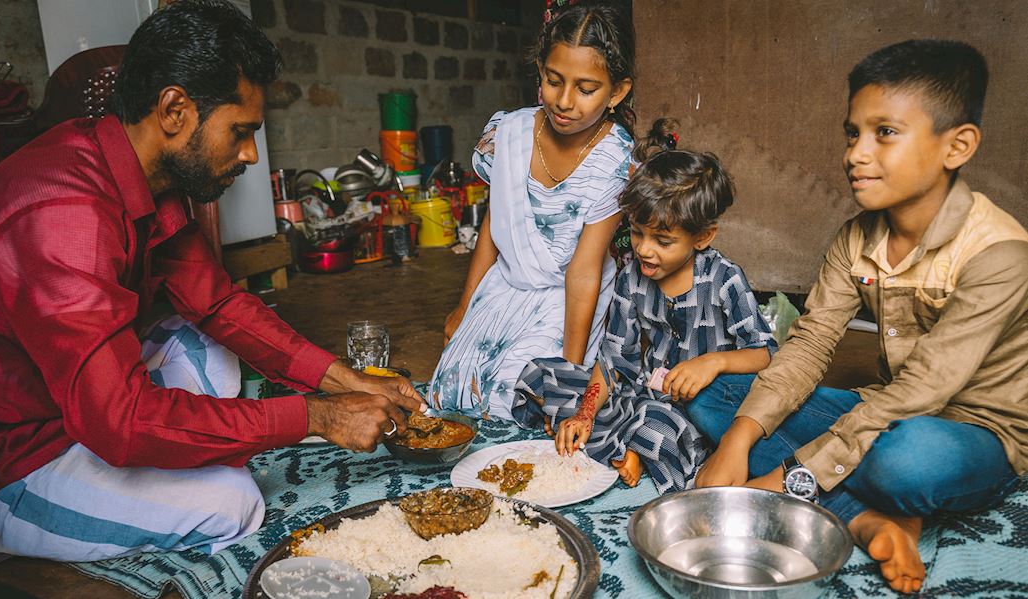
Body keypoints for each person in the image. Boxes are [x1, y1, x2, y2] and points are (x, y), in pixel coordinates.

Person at [0, 0, 422, 564]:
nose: (252, 154)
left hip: (80, 397)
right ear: (175, 109)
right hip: (14, 450)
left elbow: (220, 304)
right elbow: (120, 420)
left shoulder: (145, 171)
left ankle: (178, 445)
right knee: (231, 504)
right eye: (241, 131)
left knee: (205, 341)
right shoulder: (62, 209)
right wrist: (316, 416)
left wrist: (339, 379)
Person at [689, 40, 1027, 594]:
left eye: (885, 133)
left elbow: (924, 388)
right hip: (882, 409)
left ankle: (862, 497)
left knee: (904, 462)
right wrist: (738, 441)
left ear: (957, 146)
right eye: (853, 132)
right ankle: (872, 517)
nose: (854, 154)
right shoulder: (857, 236)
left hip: (974, 431)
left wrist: (785, 481)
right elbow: (811, 342)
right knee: (715, 401)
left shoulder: (1001, 254)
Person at [513, 119, 777, 493]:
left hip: (699, 408)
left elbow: (767, 352)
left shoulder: (724, 279)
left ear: (703, 236)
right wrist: (586, 415)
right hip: (642, 394)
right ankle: (613, 439)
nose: (643, 249)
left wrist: (713, 362)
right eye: (637, 232)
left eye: (663, 240)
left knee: (662, 425)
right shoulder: (631, 277)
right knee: (541, 374)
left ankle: (631, 445)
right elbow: (613, 362)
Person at [428, 3, 635, 420]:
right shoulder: (509, 133)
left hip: (568, 300)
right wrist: (465, 306)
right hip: (505, 287)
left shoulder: (614, 158)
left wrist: (569, 373)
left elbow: (584, 269)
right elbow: (494, 224)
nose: (564, 101)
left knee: (516, 396)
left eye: (586, 88)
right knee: (451, 396)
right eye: (553, 80)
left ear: (617, 92)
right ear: (539, 70)